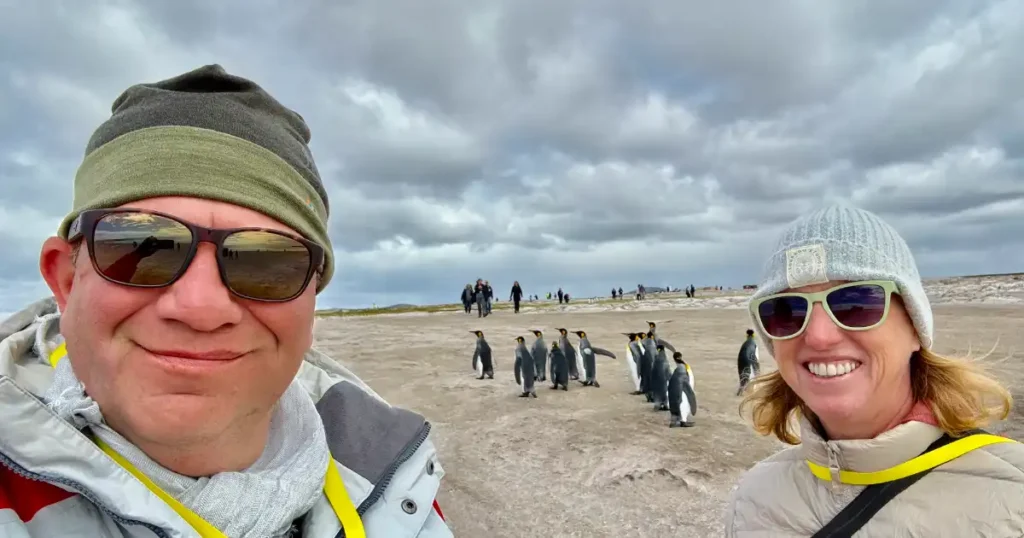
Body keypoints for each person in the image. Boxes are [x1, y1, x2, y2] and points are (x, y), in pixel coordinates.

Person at [0, 65, 453, 538]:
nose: (201, 308)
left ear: (311, 301)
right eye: (140, 247)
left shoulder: (396, 484)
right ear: (66, 279)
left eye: (266, 262)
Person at [724, 205, 1024, 537]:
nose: (819, 336)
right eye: (786, 311)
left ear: (914, 328)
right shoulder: (753, 501)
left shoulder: (1013, 498)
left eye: (856, 303)